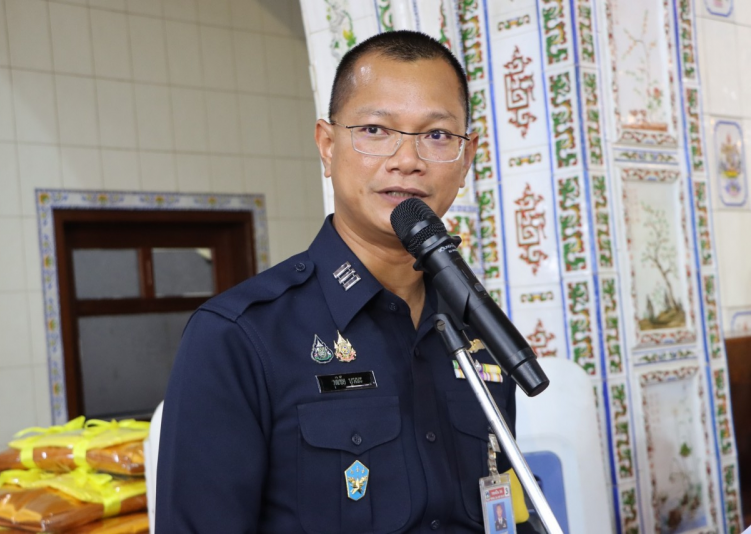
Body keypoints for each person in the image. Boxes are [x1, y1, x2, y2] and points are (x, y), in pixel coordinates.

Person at [156, 30, 537, 533]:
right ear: (327, 145)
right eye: (376, 130)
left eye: (437, 136)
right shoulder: (238, 336)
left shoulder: (478, 328)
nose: (408, 160)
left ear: (467, 159)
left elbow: (505, 506)